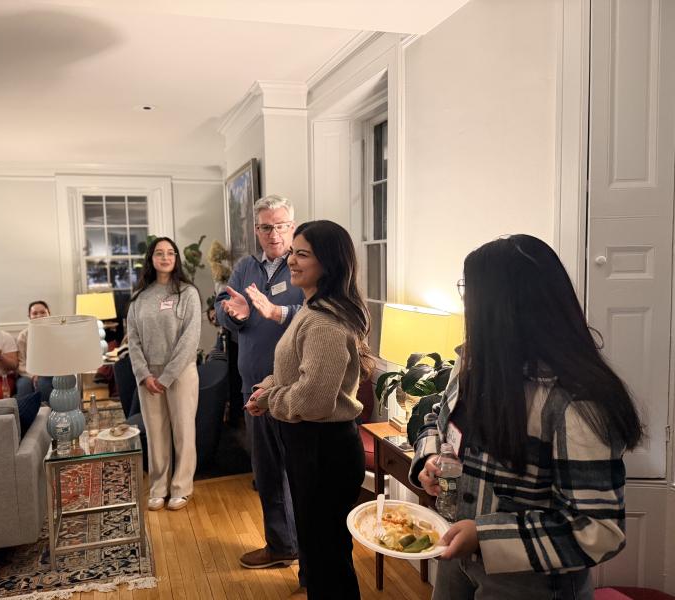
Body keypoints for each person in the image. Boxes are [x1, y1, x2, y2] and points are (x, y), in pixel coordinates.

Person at [410, 235, 643, 600]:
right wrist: (428, 459)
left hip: (531, 582)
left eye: (470, 292)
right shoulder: (472, 363)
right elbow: (438, 418)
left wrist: (484, 536)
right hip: (457, 555)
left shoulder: (573, 403)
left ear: (506, 308)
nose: (467, 304)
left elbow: (597, 530)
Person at [245, 220, 373, 600]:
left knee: (327, 557)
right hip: (311, 445)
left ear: (329, 263)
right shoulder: (310, 307)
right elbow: (295, 370)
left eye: (302, 254)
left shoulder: (325, 322)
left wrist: (271, 399)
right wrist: (269, 386)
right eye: (292, 252)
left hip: (324, 447)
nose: (292, 260)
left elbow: (313, 400)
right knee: (319, 554)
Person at [214, 195, 306, 585]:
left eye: (281, 225)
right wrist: (233, 314)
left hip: (295, 388)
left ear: (292, 225)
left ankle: (311, 562)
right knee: (267, 472)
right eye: (266, 226)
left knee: (299, 475)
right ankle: (281, 545)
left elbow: (317, 315)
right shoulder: (245, 267)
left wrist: (273, 311)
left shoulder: (304, 265)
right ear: (257, 230)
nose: (274, 233)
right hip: (254, 389)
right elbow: (223, 308)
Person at [127, 236, 201, 512]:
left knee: (183, 431)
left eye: (171, 253)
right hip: (148, 376)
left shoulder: (187, 293)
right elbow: (132, 340)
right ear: (151, 259)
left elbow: (190, 339)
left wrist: (167, 376)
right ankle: (158, 488)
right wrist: (145, 375)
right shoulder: (139, 298)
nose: (166, 257)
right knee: (156, 434)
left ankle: (182, 488)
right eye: (159, 253)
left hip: (180, 373)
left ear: (176, 258)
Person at [16, 300, 54, 404]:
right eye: (35, 313)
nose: (39, 316)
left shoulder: (56, 333)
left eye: (42, 312)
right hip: (27, 373)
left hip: (51, 372)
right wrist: (33, 375)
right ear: (29, 316)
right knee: (24, 386)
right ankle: (24, 417)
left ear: (49, 314)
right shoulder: (23, 336)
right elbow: (21, 363)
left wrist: (41, 373)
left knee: (43, 384)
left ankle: (49, 415)